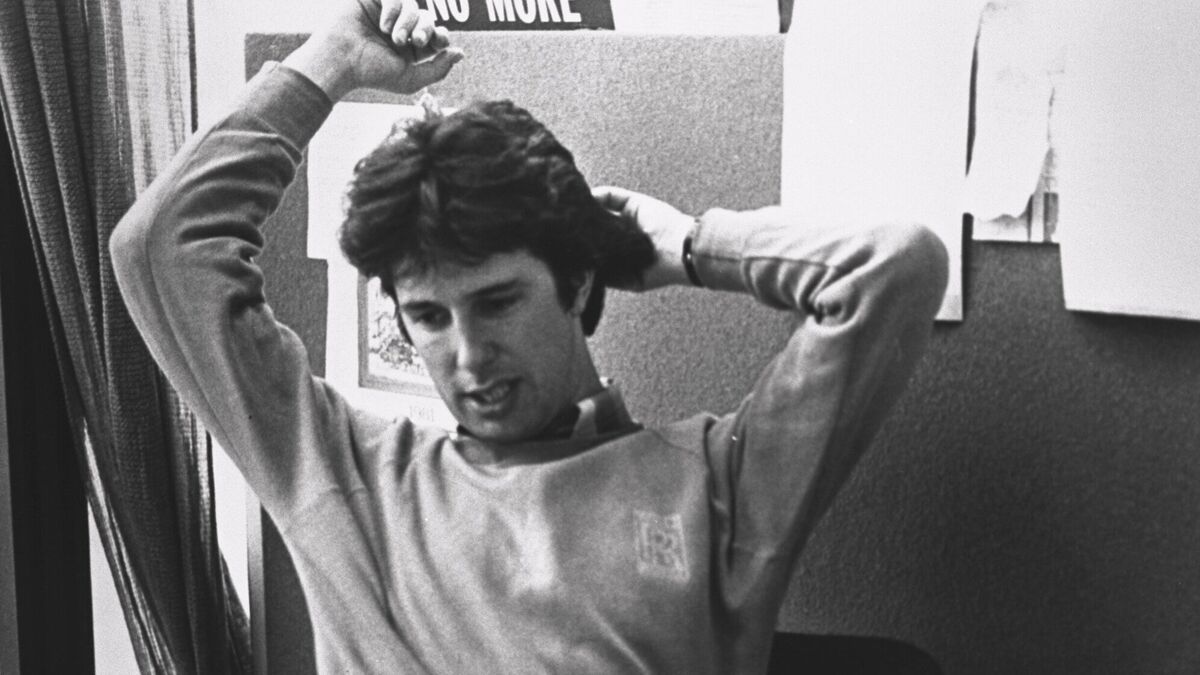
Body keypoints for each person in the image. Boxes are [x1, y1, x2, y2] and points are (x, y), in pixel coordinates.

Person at [110, 0, 949, 672]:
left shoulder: (718, 484)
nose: (469, 358)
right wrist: (329, 64)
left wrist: (691, 246)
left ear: (578, 281)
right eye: (429, 316)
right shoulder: (346, 475)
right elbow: (158, 248)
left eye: (498, 301)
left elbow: (892, 270)